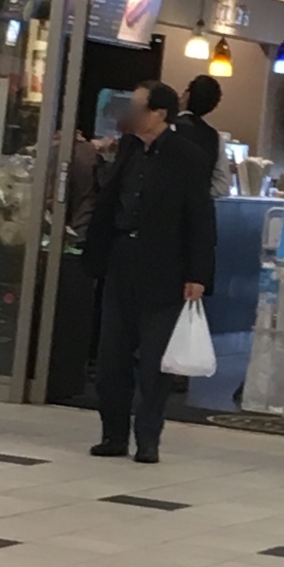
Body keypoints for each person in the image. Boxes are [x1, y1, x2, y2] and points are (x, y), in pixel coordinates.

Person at [82, 81, 216, 463]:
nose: (131, 113)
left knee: (156, 361)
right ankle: (113, 434)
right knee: (112, 356)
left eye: (138, 107)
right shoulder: (128, 148)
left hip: (165, 266)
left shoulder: (187, 156)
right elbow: (111, 201)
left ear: (159, 113)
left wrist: (198, 274)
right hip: (122, 257)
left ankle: (148, 438)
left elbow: (200, 217)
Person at [175, 74, 233, 198]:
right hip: (197, 206)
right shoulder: (215, 137)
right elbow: (223, 186)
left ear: (187, 95)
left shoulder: (166, 128)